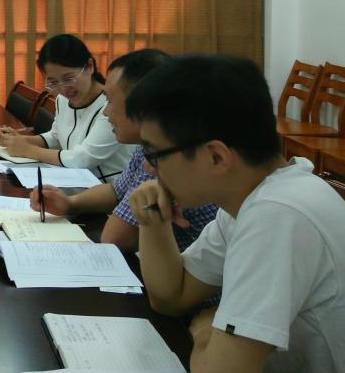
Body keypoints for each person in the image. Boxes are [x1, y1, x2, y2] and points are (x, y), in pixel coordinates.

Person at [126, 55, 345, 372]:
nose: (149, 168)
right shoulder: (249, 199)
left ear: (216, 157)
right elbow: (172, 296)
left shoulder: (277, 214)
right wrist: (153, 221)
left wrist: (206, 327)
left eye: (154, 154)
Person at [30, 49, 219, 252]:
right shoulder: (145, 146)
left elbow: (114, 239)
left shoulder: (167, 155)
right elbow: (115, 190)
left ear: (143, 106)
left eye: (110, 101)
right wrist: (70, 203)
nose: (105, 111)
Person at [0, 34, 133, 180]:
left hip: (109, 188)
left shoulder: (111, 107)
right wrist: (20, 140)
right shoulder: (62, 100)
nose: (63, 89)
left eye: (69, 78)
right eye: (54, 82)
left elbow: (83, 159)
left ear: (90, 66)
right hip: (75, 182)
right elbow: (56, 137)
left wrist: (28, 150)